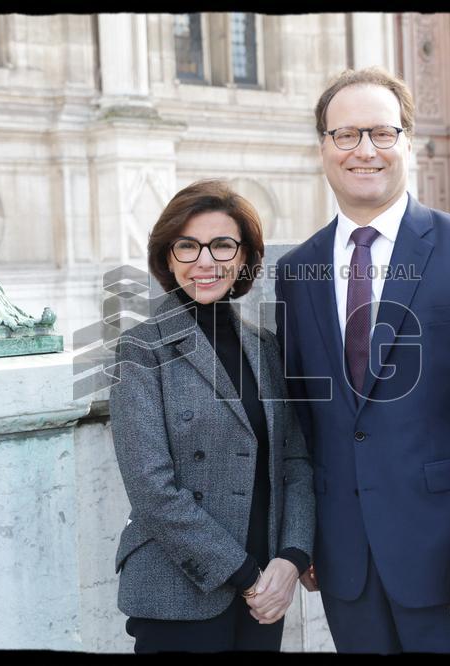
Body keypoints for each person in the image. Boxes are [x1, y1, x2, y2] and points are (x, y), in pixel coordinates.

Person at [274, 67, 450, 653]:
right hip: (346, 567)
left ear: (407, 142)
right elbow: (304, 420)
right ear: (323, 148)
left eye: (382, 133)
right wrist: (305, 538)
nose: (364, 150)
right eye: (346, 135)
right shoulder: (297, 271)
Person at [110, 179, 315, 653]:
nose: (205, 262)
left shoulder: (264, 347)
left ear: (244, 257)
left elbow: (295, 464)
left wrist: (291, 556)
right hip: (179, 595)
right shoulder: (139, 350)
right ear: (168, 258)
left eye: (222, 245)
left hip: (267, 592)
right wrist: (244, 574)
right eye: (188, 246)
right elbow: (151, 489)